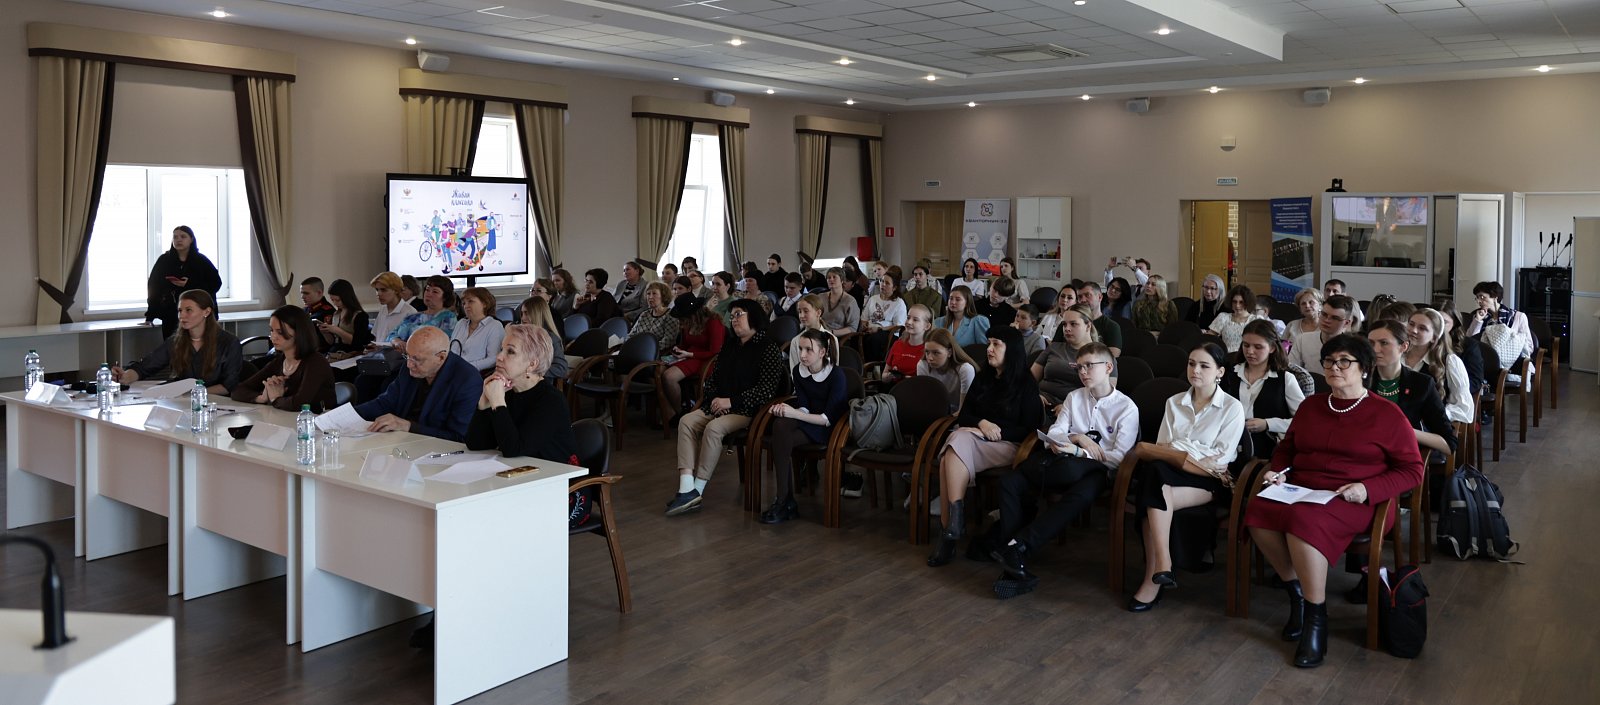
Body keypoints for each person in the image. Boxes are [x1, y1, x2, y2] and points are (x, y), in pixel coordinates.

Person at [1245, 334, 1424, 668]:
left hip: (1356, 498)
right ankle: (1298, 595)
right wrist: (1278, 471)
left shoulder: (1386, 414)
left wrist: (1367, 489)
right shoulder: (1312, 406)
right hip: (1303, 489)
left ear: (1364, 369)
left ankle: (1316, 618)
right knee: (1258, 511)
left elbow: (1413, 470)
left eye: (1344, 361)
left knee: (1304, 522)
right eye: (1329, 361)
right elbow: (1287, 449)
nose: (1334, 367)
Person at [986, 342, 1138, 598]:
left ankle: (1018, 548)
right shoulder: (1074, 397)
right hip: (1060, 462)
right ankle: (1015, 552)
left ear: (1108, 367)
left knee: (1080, 494)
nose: (1083, 372)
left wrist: (1081, 452)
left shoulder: (1126, 408)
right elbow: (1054, 434)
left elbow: (1118, 458)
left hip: (1098, 470)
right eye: (1079, 367)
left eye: (1089, 366)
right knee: (1009, 482)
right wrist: (1077, 438)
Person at [1127, 341, 1246, 612]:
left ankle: (1156, 573)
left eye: (1204, 366)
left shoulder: (1232, 407)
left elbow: (1220, 460)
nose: (1196, 370)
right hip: (1171, 472)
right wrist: (1190, 452)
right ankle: (1162, 567)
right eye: (1192, 364)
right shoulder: (1174, 402)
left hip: (1208, 479)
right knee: (1156, 477)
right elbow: (1163, 446)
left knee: (1151, 488)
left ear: (1220, 372)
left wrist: (1181, 451)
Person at [926, 327, 1043, 567]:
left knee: (955, 445)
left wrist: (992, 431)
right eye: (989, 343)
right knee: (953, 450)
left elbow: (1029, 429)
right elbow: (965, 415)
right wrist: (982, 424)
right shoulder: (984, 376)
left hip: (1009, 445)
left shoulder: (1025, 382)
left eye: (996, 344)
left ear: (1011, 349)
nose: (989, 349)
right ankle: (951, 528)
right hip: (976, 441)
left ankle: (949, 533)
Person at [665, 299, 784, 516]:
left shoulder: (768, 348)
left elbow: (766, 391)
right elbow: (712, 379)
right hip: (720, 404)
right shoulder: (730, 345)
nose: (734, 319)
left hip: (748, 409)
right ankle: (686, 487)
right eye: (733, 315)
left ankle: (697, 489)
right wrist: (715, 400)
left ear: (754, 317)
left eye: (739, 314)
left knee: (714, 428)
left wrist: (731, 402)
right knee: (686, 421)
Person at [759, 329, 851, 524]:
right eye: (800, 349)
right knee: (780, 425)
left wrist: (794, 413)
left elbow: (827, 419)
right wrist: (785, 411)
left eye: (809, 350)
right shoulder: (798, 371)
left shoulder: (836, 375)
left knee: (781, 437)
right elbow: (804, 406)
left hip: (831, 428)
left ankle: (784, 501)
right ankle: (785, 500)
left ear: (822, 352)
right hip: (809, 420)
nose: (802, 354)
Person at [466, 324, 578, 463]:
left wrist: (498, 403)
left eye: (510, 352)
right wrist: (484, 403)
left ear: (532, 364)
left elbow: (514, 449)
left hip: (557, 473)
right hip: (520, 470)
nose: (499, 356)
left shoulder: (551, 400)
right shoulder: (507, 392)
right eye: (501, 349)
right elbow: (476, 444)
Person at [354, 326, 479, 441]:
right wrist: (348, 415)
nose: (409, 364)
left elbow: (458, 437)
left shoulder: (467, 381)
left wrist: (408, 426)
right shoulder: (410, 366)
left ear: (441, 357)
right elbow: (385, 402)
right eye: (407, 356)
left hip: (435, 449)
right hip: (400, 441)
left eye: (417, 359)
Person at [115, 289, 242, 395]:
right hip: (182, 403)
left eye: (188, 310)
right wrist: (125, 376)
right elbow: (145, 367)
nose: (182, 316)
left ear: (206, 312)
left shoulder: (229, 342)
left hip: (216, 404)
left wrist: (193, 394)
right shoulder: (176, 341)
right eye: (180, 311)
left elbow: (228, 385)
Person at [1366, 321, 1457, 457]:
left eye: (1384, 343)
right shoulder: (1359, 380)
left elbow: (1449, 444)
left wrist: (1406, 431)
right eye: (1371, 343)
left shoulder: (1421, 384)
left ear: (1404, 346)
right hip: (1362, 453)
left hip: (1402, 455)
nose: (1375, 349)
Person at [1224, 320, 1305, 461]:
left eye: (1258, 347)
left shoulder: (1285, 379)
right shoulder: (1229, 373)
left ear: (1272, 348)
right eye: (1246, 345)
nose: (1250, 351)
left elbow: (1304, 421)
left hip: (1267, 452)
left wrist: (1268, 424)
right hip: (1228, 444)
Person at [232, 305, 336, 412]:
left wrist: (275, 399)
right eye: (271, 330)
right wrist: (262, 398)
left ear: (299, 333)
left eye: (280, 332)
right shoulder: (279, 361)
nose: (273, 337)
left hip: (317, 420)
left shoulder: (316, 362)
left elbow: (299, 404)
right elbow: (237, 390)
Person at [144, 225, 222, 338]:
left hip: (198, 315)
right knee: (173, 346)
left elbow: (216, 284)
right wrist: (150, 315)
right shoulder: (164, 260)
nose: (178, 240)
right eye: (175, 237)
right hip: (172, 314)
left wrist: (189, 284)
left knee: (198, 345)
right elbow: (153, 287)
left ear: (191, 239)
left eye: (183, 236)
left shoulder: (201, 261)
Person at [660, 294, 724, 418]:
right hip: (689, 356)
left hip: (707, 360)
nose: (682, 322)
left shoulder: (713, 322)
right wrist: (678, 350)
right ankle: (672, 411)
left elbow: (715, 351)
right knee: (659, 369)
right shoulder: (689, 322)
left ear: (693, 314)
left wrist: (689, 354)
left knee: (669, 377)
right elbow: (685, 344)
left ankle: (679, 412)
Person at [1032, 305, 1101, 407]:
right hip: (1039, 402)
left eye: (1073, 324)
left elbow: (1104, 398)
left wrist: (1070, 408)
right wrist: (1034, 395)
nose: (1067, 329)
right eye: (1064, 324)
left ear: (1088, 326)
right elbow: (1030, 379)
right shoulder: (1054, 347)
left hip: (1077, 409)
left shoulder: (1102, 356)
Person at [1465, 280, 1535, 360]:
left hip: (1512, 359)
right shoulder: (1478, 316)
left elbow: (1529, 346)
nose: (1478, 301)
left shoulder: (1518, 317)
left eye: (1482, 297)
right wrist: (1478, 321)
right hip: (1484, 359)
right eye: (1477, 298)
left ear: (1495, 297)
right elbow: (1469, 341)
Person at [1287, 294, 1356, 371]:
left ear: (1346, 323)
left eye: (1334, 318)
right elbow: (1291, 370)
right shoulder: (1302, 339)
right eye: (1324, 314)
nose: (1327, 320)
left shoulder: (1353, 348)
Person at [919, 328, 977, 413]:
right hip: (935, 411)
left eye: (936, 353)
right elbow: (925, 400)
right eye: (927, 352)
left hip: (958, 414)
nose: (930, 358)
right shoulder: (923, 365)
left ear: (949, 352)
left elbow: (963, 410)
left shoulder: (965, 369)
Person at [386, 275, 458, 343]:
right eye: (427, 290)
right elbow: (391, 335)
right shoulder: (413, 317)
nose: (428, 294)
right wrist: (396, 341)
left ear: (445, 297)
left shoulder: (448, 317)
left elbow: (442, 342)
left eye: (435, 292)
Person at [451, 287, 506, 372]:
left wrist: (467, 367)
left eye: (470, 301)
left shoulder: (495, 326)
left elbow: (493, 359)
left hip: (475, 373)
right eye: (464, 303)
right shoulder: (461, 323)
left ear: (484, 304)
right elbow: (451, 349)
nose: (466, 306)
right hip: (452, 370)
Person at [316, 278, 373, 359]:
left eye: (337, 300)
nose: (335, 303)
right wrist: (325, 332)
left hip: (351, 353)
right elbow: (332, 342)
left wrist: (337, 330)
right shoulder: (336, 314)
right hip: (335, 352)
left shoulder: (360, 315)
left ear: (346, 297)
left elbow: (357, 343)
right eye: (332, 300)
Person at [518, 297, 569, 382]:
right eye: (522, 314)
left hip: (539, 384)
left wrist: (532, 371)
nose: (522, 318)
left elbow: (561, 369)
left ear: (537, 314)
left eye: (527, 313)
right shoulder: (519, 336)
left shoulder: (551, 338)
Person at [861, 270, 908, 362]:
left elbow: (899, 326)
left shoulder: (899, 303)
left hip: (888, 333)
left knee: (874, 339)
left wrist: (879, 329)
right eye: (882, 281)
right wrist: (865, 326)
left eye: (887, 283)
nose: (883, 284)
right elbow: (864, 319)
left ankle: (874, 366)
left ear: (894, 287)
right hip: (870, 331)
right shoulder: (873, 299)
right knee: (857, 338)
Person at [1207, 285, 1265, 353]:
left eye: (1241, 302)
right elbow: (1208, 338)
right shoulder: (1223, 317)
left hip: (1248, 356)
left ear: (1247, 302)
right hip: (1226, 356)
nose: (1237, 305)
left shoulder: (1256, 320)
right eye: (1234, 302)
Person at [882, 304, 931, 384]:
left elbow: (929, 383)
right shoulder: (897, 344)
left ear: (927, 326)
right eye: (908, 318)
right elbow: (883, 377)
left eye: (915, 320)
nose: (909, 322)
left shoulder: (929, 350)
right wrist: (890, 375)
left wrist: (911, 380)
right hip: (894, 388)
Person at [788, 294, 837, 373]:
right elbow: (794, 371)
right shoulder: (796, 341)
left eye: (806, 311)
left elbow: (835, 368)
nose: (801, 315)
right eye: (800, 311)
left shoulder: (831, 339)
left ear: (818, 313)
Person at [628, 281, 679, 357]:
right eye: (648, 294)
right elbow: (632, 334)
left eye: (654, 293)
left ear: (663, 296)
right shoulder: (644, 314)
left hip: (655, 354)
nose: (650, 297)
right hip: (636, 350)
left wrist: (645, 348)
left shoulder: (670, 315)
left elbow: (668, 341)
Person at [1075, 282, 1123, 356]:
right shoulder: (1068, 324)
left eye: (1087, 295)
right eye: (1080, 297)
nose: (1083, 300)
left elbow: (1113, 357)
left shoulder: (1112, 326)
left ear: (1100, 297)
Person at [368, 272, 411, 345]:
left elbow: (409, 344)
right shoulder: (383, 309)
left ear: (396, 290)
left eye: (383, 290)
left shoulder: (409, 312)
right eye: (377, 290)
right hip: (379, 351)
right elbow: (377, 337)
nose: (378, 294)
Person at [819, 268, 862, 338]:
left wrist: (831, 333)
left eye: (834, 277)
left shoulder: (850, 301)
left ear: (842, 280)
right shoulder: (820, 297)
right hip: (819, 333)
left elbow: (852, 328)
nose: (831, 279)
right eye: (829, 277)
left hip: (838, 337)